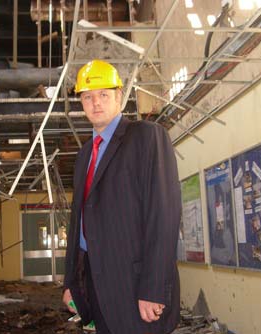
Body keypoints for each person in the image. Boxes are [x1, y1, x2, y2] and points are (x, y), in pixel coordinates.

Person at [62, 59, 181, 334]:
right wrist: (72, 283)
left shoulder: (147, 138)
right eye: (88, 97)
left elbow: (163, 215)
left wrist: (154, 287)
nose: (96, 103)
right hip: (97, 285)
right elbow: (78, 224)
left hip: (137, 286)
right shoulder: (84, 156)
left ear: (119, 97)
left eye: (104, 94)